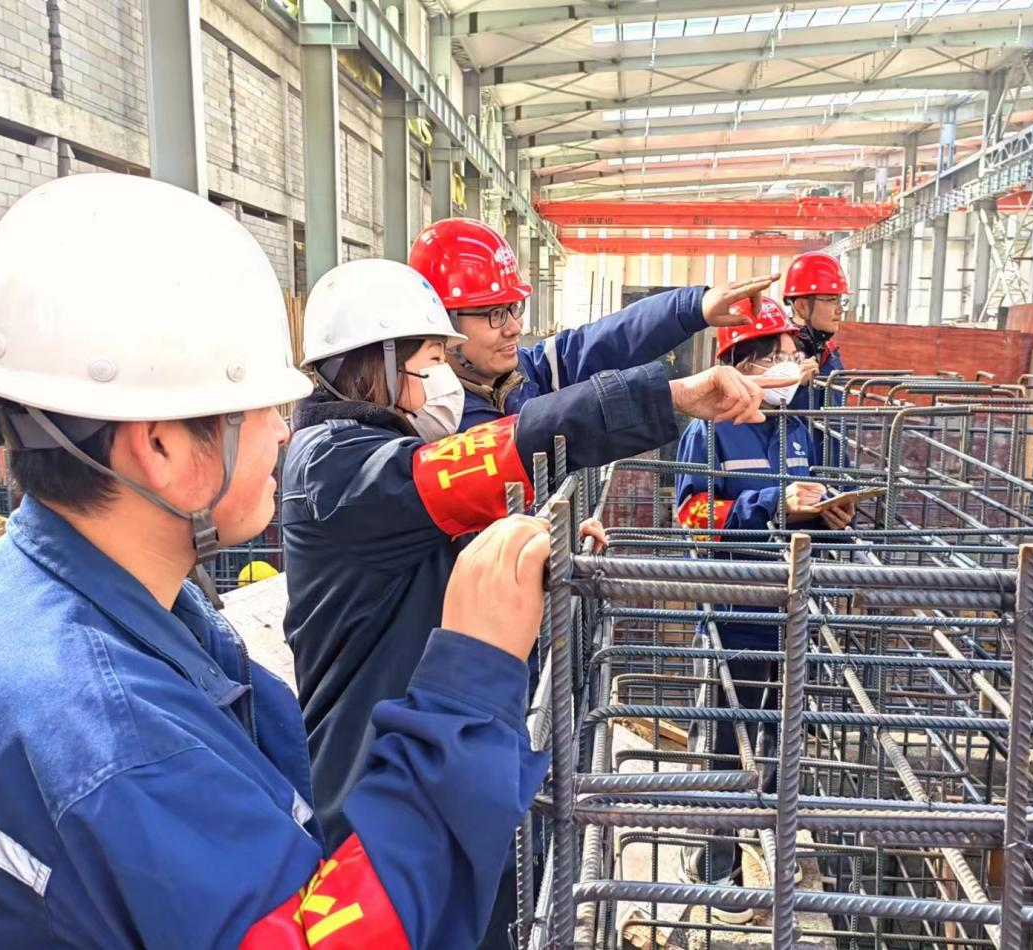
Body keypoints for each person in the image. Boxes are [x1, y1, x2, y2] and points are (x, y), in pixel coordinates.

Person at [0, 174, 557, 949]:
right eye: (260, 408)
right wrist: (467, 688)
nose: (282, 430)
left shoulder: (38, 591)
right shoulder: (115, 734)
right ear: (160, 447)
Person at [283, 258, 784, 948]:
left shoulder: (376, 454)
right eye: (432, 361)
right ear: (379, 365)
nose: (443, 379)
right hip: (376, 776)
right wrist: (670, 397)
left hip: (425, 750)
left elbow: (438, 552)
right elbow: (494, 454)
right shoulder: (341, 467)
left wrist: (530, 542)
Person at [673, 296, 854, 901]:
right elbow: (692, 517)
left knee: (781, 743)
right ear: (742, 364)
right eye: (775, 355)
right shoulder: (709, 431)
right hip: (733, 618)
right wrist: (772, 503)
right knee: (727, 748)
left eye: (792, 354)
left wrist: (832, 517)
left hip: (791, 615)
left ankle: (767, 852)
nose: (790, 365)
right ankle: (715, 868)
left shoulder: (798, 429)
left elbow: (814, 504)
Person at [409, 217, 778, 430]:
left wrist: (691, 307)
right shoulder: (435, 420)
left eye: (514, 307)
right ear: (442, 323)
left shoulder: (523, 375)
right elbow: (536, 431)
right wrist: (669, 396)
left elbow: (599, 342)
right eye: (494, 314)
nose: (514, 327)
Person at [783, 251, 851, 467]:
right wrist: (791, 385)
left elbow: (837, 430)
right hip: (793, 474)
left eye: (841, 300)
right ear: (802, 306)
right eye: (831, 300)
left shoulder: (830, 354)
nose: (839, 310)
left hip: (830, 471)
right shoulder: (776, 358)